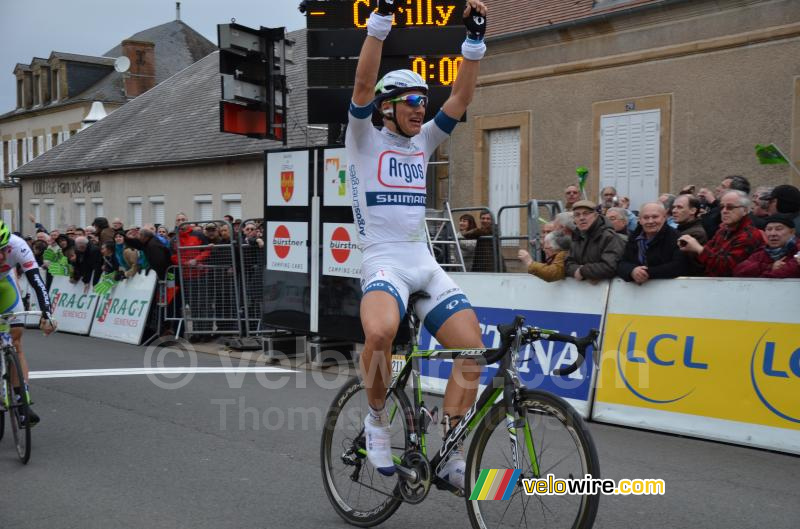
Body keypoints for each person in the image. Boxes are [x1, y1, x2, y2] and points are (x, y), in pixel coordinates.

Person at [345, 0, 488, 490]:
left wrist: (473, 41)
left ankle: (449, 451)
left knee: (473, 353)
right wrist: (380, 23)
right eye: (411, 101)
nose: (420, 109)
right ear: (387, 106)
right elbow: (363, 83)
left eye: (423, 102)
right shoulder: (363, 137)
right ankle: (377, 421)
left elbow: (461, 99)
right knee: (381, 333)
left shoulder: (423, 142)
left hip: (422, 262)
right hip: (383, 261)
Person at [0, 221, 56, 426]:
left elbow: (37, 282)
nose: (0, 256)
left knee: (16, 342)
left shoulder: (18, 245)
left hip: (5, 287)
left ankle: (21, 402)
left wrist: (46, 314)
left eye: (3, 250)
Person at [679, 190, 764, 277]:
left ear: (745, 211)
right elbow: (707, 255)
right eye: (722, 207)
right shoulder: (723, 230)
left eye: (730, 207)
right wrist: (691, 247)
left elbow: (726, 269)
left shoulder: (749, 235)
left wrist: (699, 249)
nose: (724, 211)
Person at [617, 203, 687, 284]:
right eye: (646, 217)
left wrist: (645, 272)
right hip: (637, 291)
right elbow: (622, 263)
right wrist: (632, 271)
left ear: (664, 218)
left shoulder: (676, 237)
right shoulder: (634, 237)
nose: (650, 221)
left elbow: (678, 266)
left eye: (655, 217)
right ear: (639, 220)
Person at [565, 200, 625, 281]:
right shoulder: (577, 237)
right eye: (577, 215)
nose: (581, 218)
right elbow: (567, 263)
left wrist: (582, 271)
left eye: (586, 213)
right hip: (581, 291)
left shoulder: (609, 237)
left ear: (595, 215)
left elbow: (610, 267)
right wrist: (575, 270)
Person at [733, 215, 799, 278]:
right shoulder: (761, 253)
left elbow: (788, 272)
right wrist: (769, 266)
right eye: (769, 229)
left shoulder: (797, 249)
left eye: (779, 229)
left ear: (792, 232)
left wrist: (762, 278)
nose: (772, 234)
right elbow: (739, 271)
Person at [698, 175, 750, 239]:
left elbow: (709, 229)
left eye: (723, 187)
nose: (717, 189)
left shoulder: (745, 233)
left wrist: (713, 202)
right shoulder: (722, 230)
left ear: (735, 192)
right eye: (722, 206)